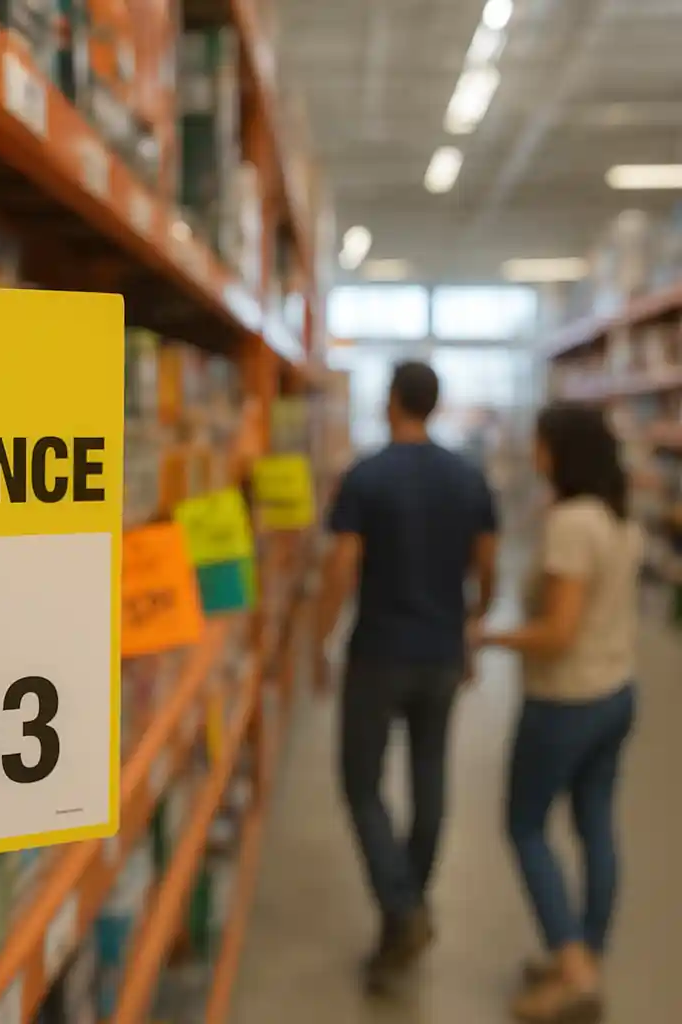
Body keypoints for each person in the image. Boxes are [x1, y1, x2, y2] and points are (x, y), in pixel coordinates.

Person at [317, 360, 499, 992]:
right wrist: (473, 624)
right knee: (430, 780)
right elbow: (487, 564)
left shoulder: (365, 477)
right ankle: (408, 908)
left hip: (378, 653)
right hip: (442, 651)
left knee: (360, 783)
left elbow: (343, 566)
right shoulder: (468, 478)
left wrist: (318, 639)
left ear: (391, 401)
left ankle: (402, 909)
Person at [475, 404, 640, 1023]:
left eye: (539, 442)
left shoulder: (571, 524)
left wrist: (489, 638)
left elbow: (558, 633)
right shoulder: (615, 519)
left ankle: (572, 972)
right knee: (596, 822)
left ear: (559, 451)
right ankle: (586, 954)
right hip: (616, 693)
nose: (532, 452)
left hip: (565, 700)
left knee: (525, 826)